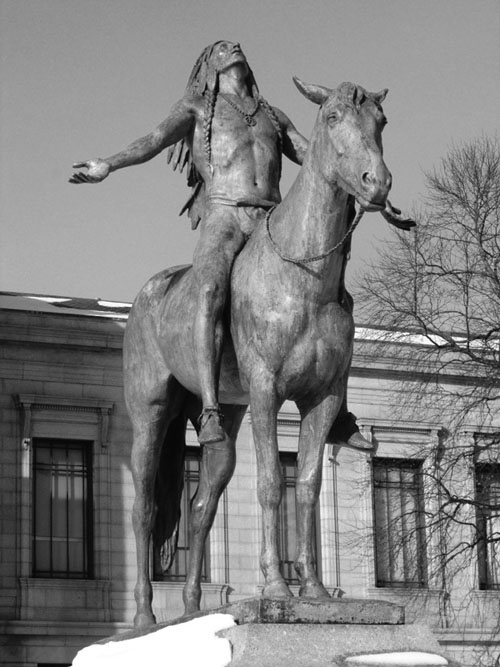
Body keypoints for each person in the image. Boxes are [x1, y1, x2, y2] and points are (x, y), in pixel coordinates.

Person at [70, 40, 413, 447]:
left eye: (235, 45)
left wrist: (376, 195)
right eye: (219, 48)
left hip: (271, 219)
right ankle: (212, 407)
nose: (231, 46)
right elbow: (155, 139)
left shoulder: (271, 115)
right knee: (210, 286)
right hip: (225, 215)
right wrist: (109, 163)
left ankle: (337, 414)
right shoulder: (198, 108)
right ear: (208, 67)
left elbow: (323, 156)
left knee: (339, 301)